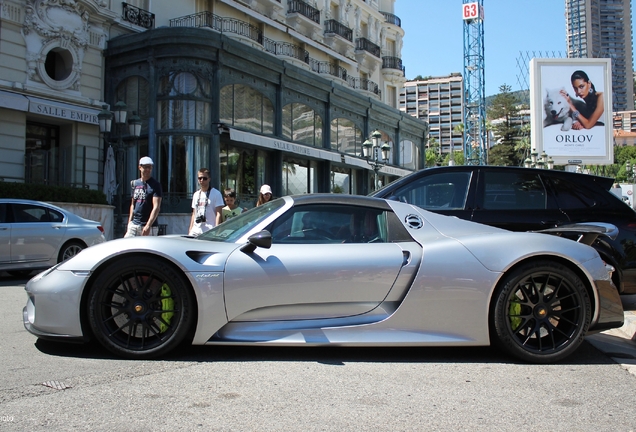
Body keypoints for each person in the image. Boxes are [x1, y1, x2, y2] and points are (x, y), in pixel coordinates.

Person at [125, 156, 163, 237]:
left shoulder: (155, 185)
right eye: (146, 167)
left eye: (150, 167)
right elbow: (133, 204)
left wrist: (148, 225)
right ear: (140, 167)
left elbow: (156, 207)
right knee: (127, 246)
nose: (148, 170)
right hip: (134, 224)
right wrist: (129, 222)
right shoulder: (135, 183)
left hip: (149, 226)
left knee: (147, 249)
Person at [188, 168, 224, 236]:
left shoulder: (216, 193)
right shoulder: (196, 194)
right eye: (200, 178)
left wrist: (217, 231)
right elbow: (194, 213)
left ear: (209, 179)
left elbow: (219, 214)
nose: (202, 180)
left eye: (204, 178)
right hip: (195, 230)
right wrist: (190, 229)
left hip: (210, 231)